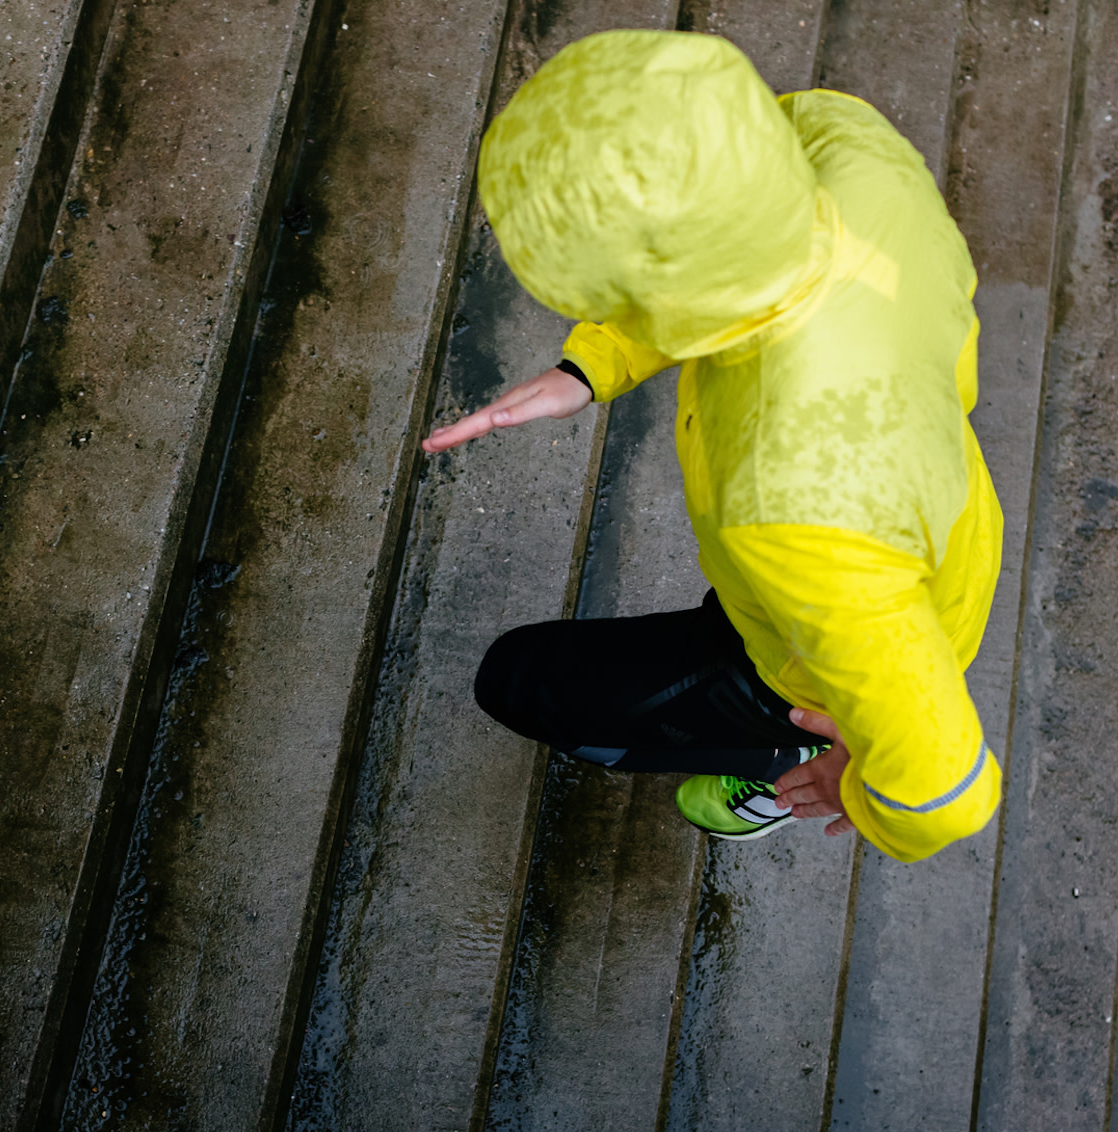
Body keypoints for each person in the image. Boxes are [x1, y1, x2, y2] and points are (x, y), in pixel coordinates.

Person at [421, 30, 1002, 862]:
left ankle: (786, 757)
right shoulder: (857, 150)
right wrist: (594, 363)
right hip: (940, 527)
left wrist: (864, 784)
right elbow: (738, 237)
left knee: (518, 683)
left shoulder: (793, 505)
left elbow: (946, 795)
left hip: (811, 655)